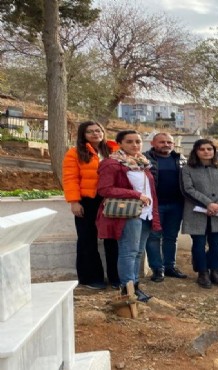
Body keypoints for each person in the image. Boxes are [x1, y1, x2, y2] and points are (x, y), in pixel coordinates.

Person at [97, 130, 160, 302]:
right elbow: (104, 189)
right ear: (120, 143)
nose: (135, 145)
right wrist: (135, 195)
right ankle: (127, 288)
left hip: (146, 213)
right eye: (130, 142)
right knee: (128, 251)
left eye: (138, 141)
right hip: (129, 213)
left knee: (138, 252)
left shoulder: (142, 163)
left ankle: (136, 286)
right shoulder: (112, 163)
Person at [62, 121, 120, 290]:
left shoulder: (114, 151)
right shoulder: (75, 153)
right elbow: (70, 179)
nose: (95, 134)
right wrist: (74, 202)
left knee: (112, 239)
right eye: (90, 132)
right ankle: (91, 278)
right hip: (88, 201)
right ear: (83, 135)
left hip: (110, 200)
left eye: (98, 130)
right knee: (87, 239)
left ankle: (116, 277)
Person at [181, 139, 218, 289]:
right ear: (196, 152)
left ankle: (215, 271)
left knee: (217, 244)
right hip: (197, 213)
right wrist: (208, 203)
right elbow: (188, 189)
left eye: (209, 149)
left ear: (214, 151)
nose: (206, 152)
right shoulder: (187, 169)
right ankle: (202, 273)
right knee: (198, 244)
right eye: (202, 149)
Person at [144, 133, 187, 282]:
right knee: (154, 237)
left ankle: (170, 267)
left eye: (169, 142)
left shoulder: (180, 159)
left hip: (176, 205)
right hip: (154, 206)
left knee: (171, 237)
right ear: (153, 143)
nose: (166, 144)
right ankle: (157, 268)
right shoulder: (144, 159)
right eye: (162, 142)